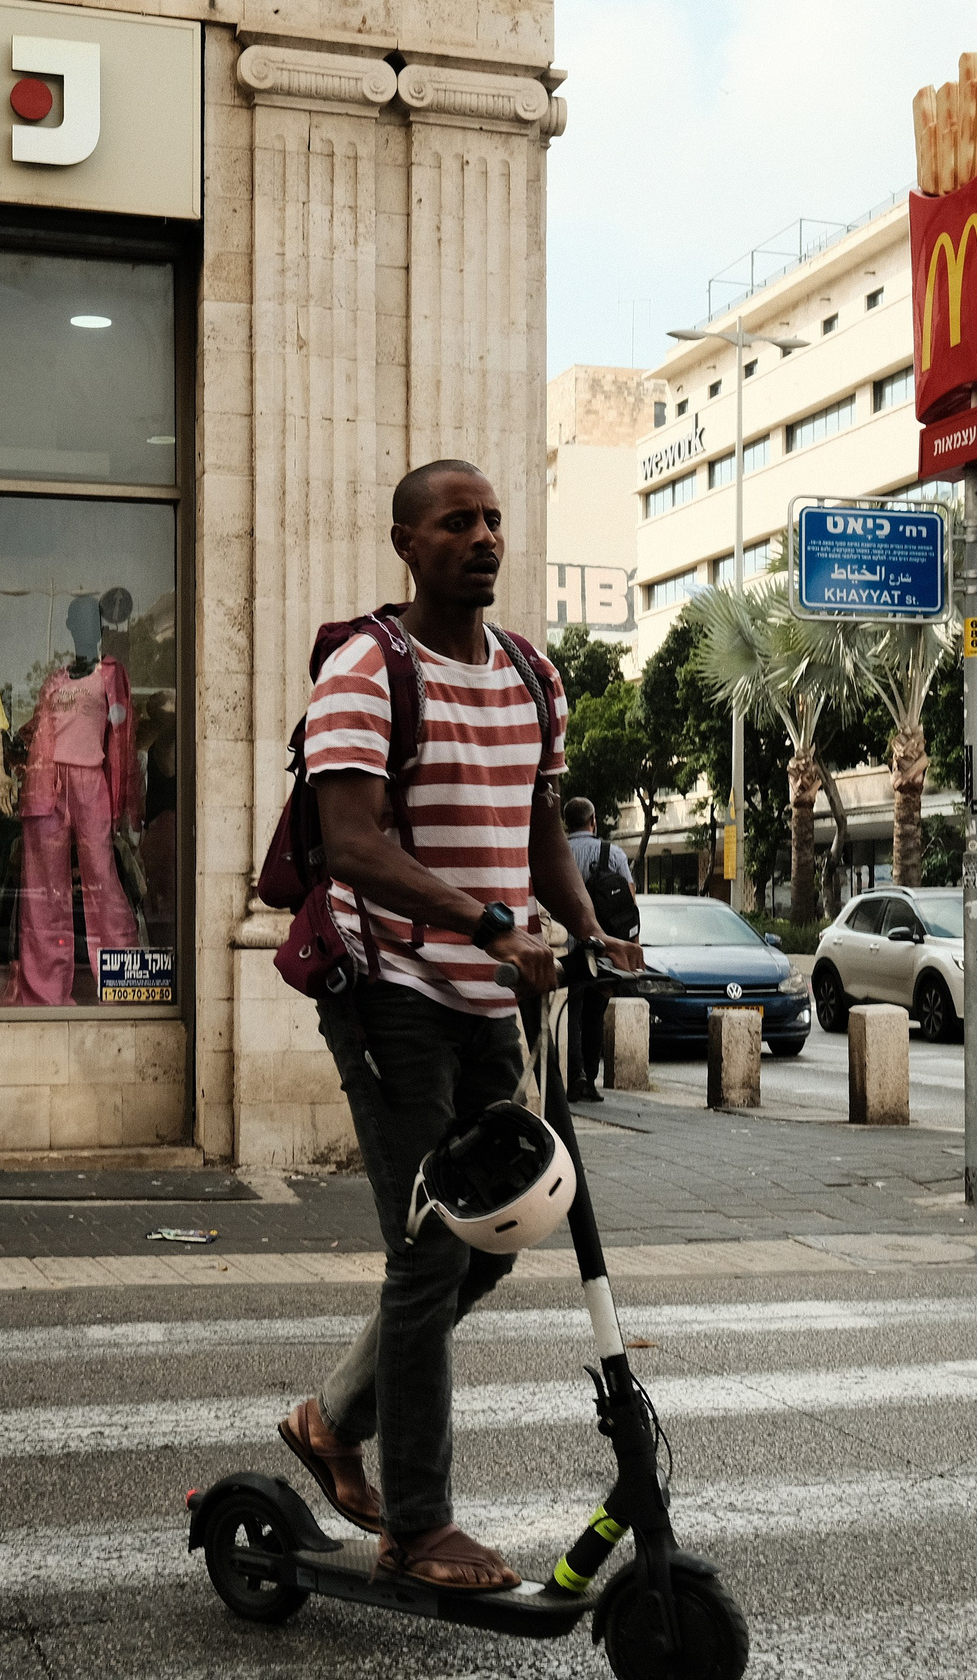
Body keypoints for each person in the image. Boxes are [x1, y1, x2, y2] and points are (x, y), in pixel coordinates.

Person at [278, 460, 643, 1594]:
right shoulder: (365, 672)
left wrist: (587, 927)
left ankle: (331, 1419)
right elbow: (352, 844)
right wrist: (489, 924)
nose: (482, 537)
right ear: (406, 543)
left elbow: (535, 818)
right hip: (390, 991)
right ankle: (420, 1524)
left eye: (491, 520)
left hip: (494, 993)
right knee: (429, 1250)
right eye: (456, 522)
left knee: (493, 1236)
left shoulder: (533, 671)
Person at [564, 797, 635, 1103]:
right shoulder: (613, 853)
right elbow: (630, 905)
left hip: (563, 949)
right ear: (593, 821)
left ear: (567, 823)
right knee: (594, 1015)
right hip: (604, 950)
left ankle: (572, 1076)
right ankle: (589, 1080)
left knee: (570, 1014)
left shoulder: (557, 853)